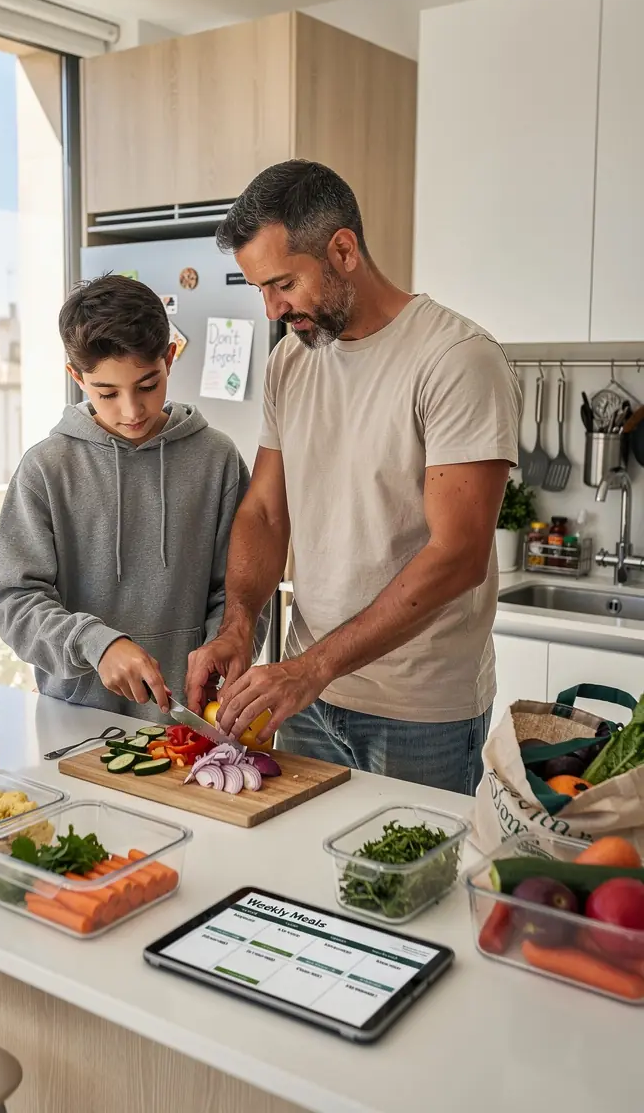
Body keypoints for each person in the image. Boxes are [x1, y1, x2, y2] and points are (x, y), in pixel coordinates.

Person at [186, 160, 520, 794]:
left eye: (283, 283)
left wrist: (311, 668)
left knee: (408, 891)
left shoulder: (456, 361)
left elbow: (459, 555)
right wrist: (238, 626)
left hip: (419, 713)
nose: (274, 309)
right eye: (260, 289)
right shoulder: (292, 360)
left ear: (343, 250)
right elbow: (264, 511)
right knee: (303, 886)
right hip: (304, 701)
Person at [0, 275, 265, 719]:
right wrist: (96, 644)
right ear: (76, 378)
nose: (132, 410)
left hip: (190, 718)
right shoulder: (46, 468)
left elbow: (240, 591)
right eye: (107, 393)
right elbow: (14, 602)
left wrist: (219, 654)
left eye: (148, 385)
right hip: (75, 721)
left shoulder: (217, 459)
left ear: (170, 358)